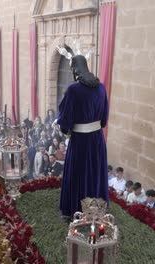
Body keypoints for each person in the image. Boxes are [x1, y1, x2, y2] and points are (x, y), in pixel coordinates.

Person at [56, 48, 109, 219]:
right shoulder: (101, 87)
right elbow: (104, 118)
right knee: (95, 173)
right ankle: (97, 209)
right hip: (97, 139)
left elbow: (65, 118)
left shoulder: (74, 90)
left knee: (78, 173)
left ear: (74, 69)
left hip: (80, 140)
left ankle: (74, 211)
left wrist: (65, 129)